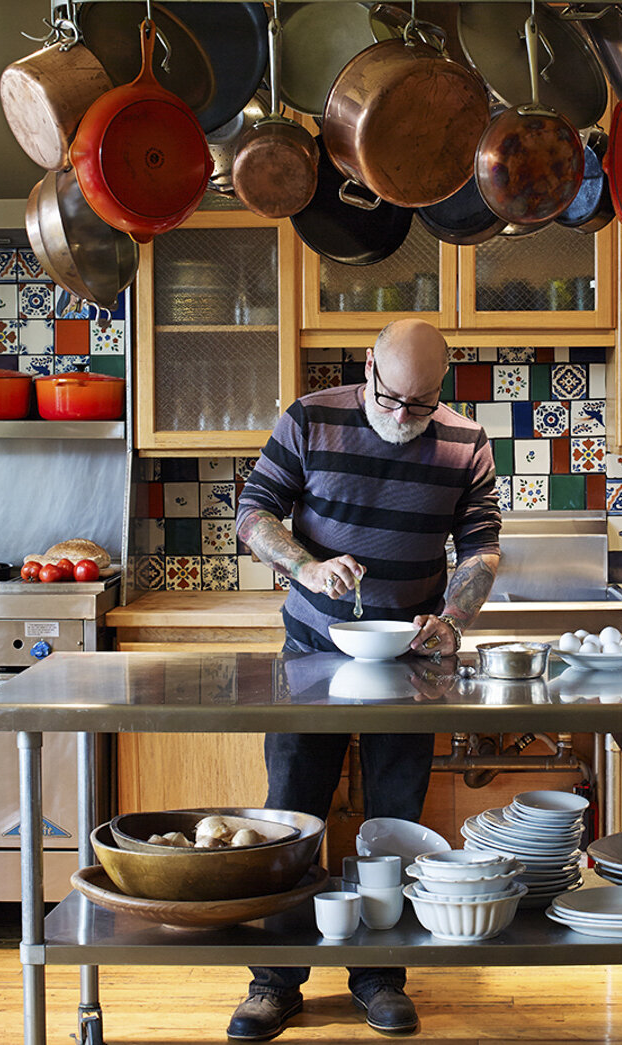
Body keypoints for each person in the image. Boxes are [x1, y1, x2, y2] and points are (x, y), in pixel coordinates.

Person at [228, 318, 502, 1041]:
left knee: (394, 824)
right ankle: (274, 981)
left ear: (441, 387)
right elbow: (252, 513)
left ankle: (380, 974)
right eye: (391, 397)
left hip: (410, 664)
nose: (403, 416)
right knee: (290, 814)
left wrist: (454, 618)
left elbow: (482, 548)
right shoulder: (310, 417)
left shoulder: (465, 442)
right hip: (312, 651)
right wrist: (307, 566)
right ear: (368, 367)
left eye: (421, 403)